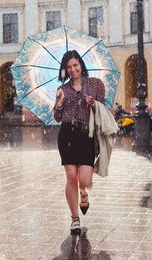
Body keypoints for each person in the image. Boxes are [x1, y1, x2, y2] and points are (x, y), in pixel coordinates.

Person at [53, 50, 105, 235]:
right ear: (65, 70)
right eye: (68, 67)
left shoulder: (96, 84)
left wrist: (94, 104)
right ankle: (75, 218)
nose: (72, 69)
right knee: (70, 176)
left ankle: (84, 191)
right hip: (67, 134)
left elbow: (103, 111)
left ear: (81, 64)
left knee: (84, 179)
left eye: (75, 65)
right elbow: (57, 118)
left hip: (86, 135)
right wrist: (59, 102)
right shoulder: (63, 89)